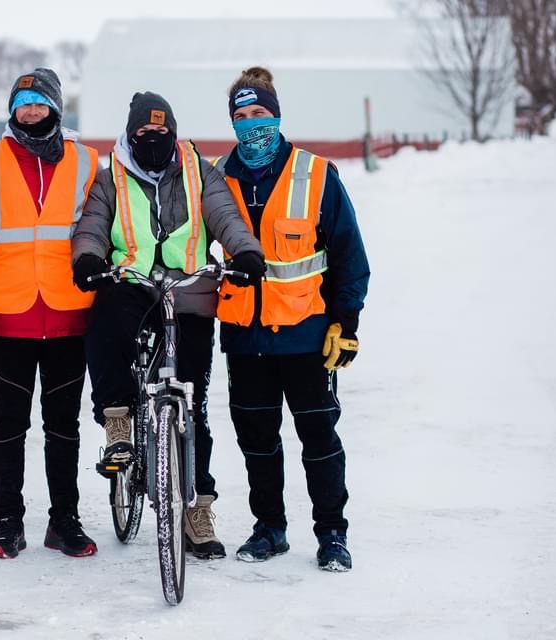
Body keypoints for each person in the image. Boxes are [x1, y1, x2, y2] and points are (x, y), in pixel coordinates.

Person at [71, 92, 264, 560]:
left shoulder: (200, 170)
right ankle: (118, 419)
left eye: (161, 132)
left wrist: (245, 251)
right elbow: (93, 224)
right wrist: (89, 258)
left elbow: (225, 216)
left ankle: (197, 509)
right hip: (133, 284)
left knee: (192, 407)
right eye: (143, 133)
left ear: (173, 134)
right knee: (105, 319)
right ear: (130, 135)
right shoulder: (110, 176)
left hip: (190, 290)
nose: (152, 139)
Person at [213, 67, 370, 571]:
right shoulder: (216, 177)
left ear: (276, 116)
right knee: (257, 441)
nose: (250, 123)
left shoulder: (315, 174)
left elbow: (348, 255)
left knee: (319, 439)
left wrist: (346, 323)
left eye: (259, 113)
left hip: (306, 335)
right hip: (244, 337)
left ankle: (332, 534)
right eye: (241, 116)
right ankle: (269, 528)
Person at [0, 68, 99, 559]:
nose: (32, 111)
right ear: (11, 110)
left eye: (40, 102)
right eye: (22, 104)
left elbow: (102, 224)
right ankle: (8, 523)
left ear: (56, 107)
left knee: (64, 425)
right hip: (8, 311)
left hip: (69, 309)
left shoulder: (87, 161)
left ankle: (64, 521)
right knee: (9, 424)